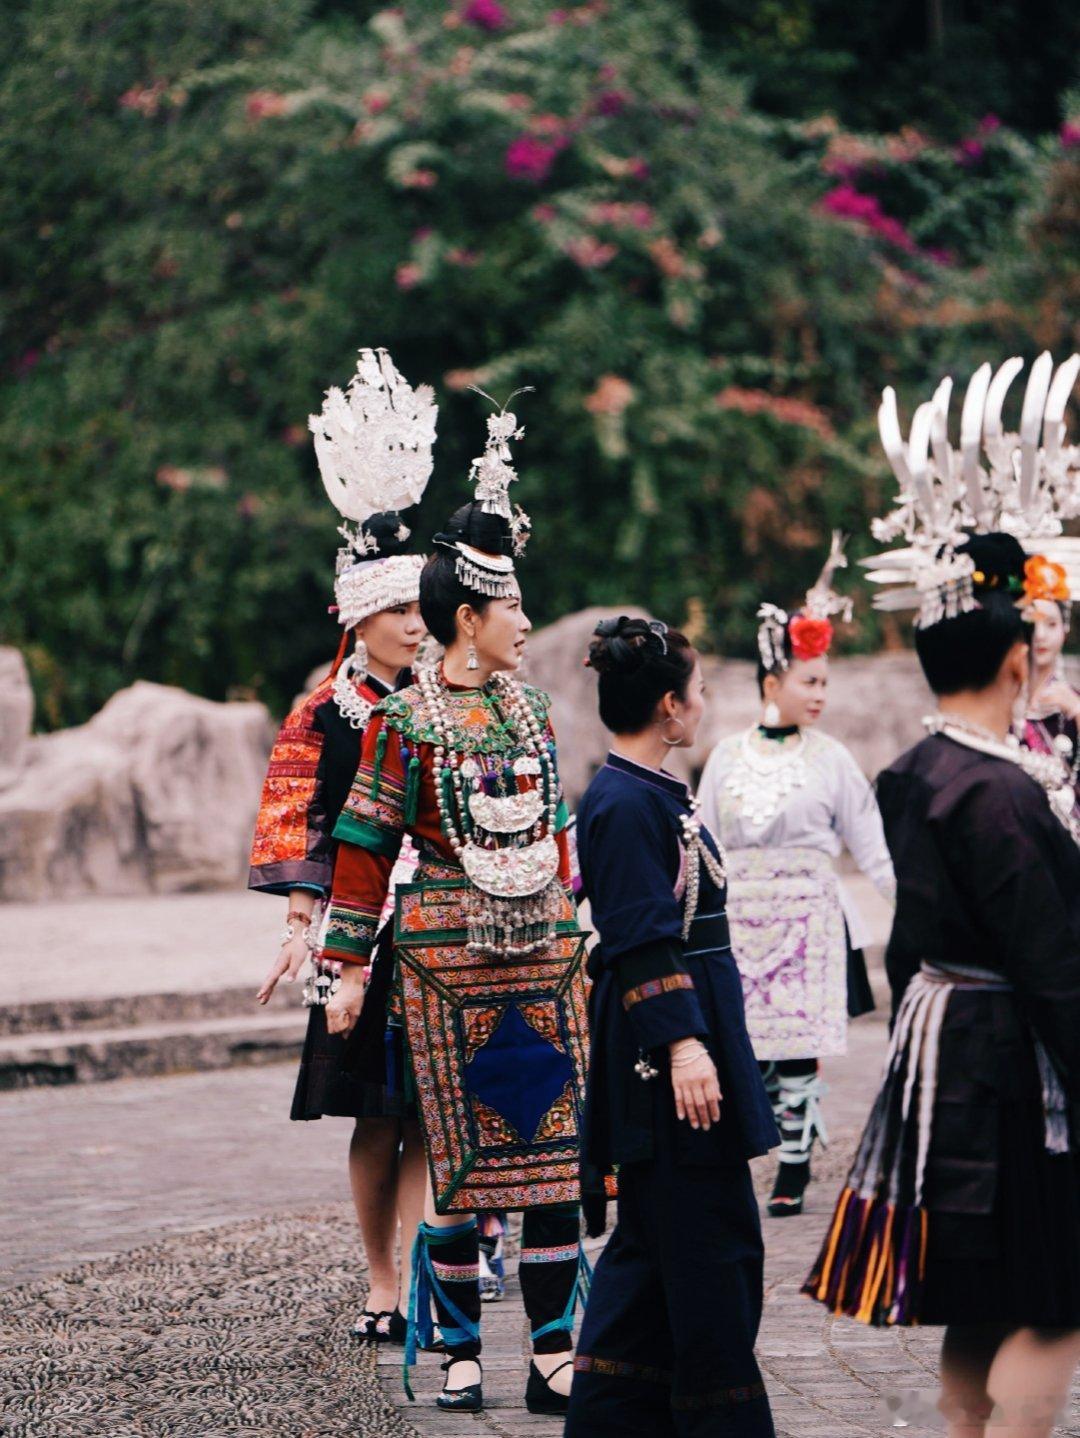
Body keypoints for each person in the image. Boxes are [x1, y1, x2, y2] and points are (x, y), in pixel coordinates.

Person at [804, 357, 1080, 1438]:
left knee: (985, 1291)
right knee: (1053, 1302)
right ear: (1015, 660)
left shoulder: (915, 770)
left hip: (942, 1050)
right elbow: (1053, 962)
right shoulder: (1001, 791)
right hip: (1012, 1065)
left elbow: (906, 939)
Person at [321, 397, 589, 1416]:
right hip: (442, 962)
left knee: (552, 1157)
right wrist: (345, 969)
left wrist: (580, 927)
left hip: (542, 958)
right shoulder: (404, 719)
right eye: (511, 607)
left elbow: (557, 837)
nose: (526, 622)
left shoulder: (534, 710)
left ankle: (555, 1352)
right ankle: (462, 1353)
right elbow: (363, 844)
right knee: (458, 1166)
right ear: (468, 618)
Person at [250, 348, 435, 1343]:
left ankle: (434, 1269)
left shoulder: (445, 704)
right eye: (399, 610)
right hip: (353, 933)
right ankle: (381, 1279)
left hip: (435, 919)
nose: (414, 626)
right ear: (359, 614)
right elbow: (300, 820)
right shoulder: (325, 711)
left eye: (421, 609)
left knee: (432, 1108)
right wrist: (299, 929)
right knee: (373, 1110)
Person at [565, 615, 778, 1438]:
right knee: (710, 1247)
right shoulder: (623, 803)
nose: (703, 702)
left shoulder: (648, 791)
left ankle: (611, 1422)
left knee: (653, 1256)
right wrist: (685, 1045)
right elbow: (640, 936)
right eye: (698, 690)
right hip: (667, 1060)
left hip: (684, 1034)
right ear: (668, 707)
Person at [698, 536, 894, 1217]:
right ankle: (741, 1155)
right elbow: (703, 843)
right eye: (810, 682)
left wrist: (914, 909)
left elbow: (871, 846)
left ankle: (795, 1162)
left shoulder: (833, 758)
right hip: (741, 918)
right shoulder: (726, 756)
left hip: (808, 919)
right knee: (742, 1046)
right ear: (771, 683)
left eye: (825, 684)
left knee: (798, 1050)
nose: (820, 695)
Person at [1020, 590, 1080, 803]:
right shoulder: (1001, 702)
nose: (1040, 635)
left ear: (1065, 628)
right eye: (1032, 623)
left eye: (1051, 624)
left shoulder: (1074, 702)